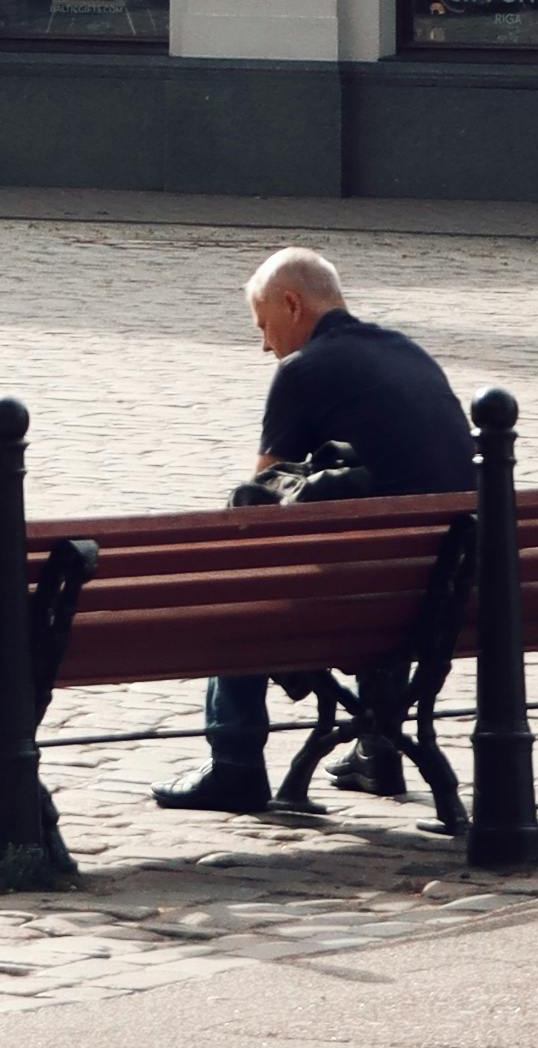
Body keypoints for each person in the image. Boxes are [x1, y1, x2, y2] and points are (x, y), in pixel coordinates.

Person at [152, 245, 470, 817]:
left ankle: (235, 762)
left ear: (292, 304)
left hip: (362, 596)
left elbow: (256, 506)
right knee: (377, 532)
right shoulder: (411, 354)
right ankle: (378, 747)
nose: (265, 344)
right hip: (449, 593)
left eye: (264, 325)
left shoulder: (302, 371)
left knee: (240, 568)